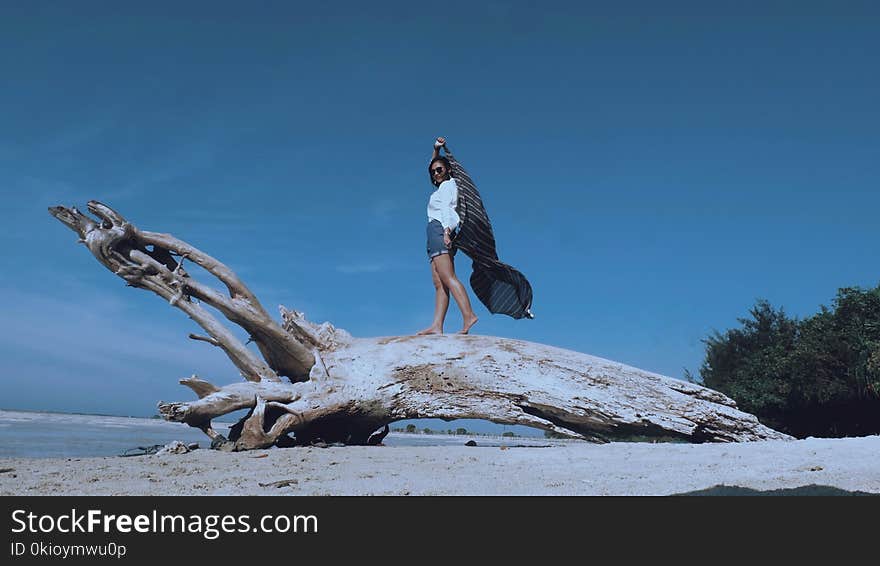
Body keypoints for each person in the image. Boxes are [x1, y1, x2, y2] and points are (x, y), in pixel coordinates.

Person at [417, 136, 479, 335]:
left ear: (448, 170)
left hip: (440, 230)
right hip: (433, 232)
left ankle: (469, 315)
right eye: (433, 171)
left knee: (448, 276)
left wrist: (446, 231)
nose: (436, 173)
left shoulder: (448, 186)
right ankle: (437, 326)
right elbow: (432, 163)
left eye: (439, 169)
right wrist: (436, 149)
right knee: (438, 282)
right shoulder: (442, 186)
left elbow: (448, 210)